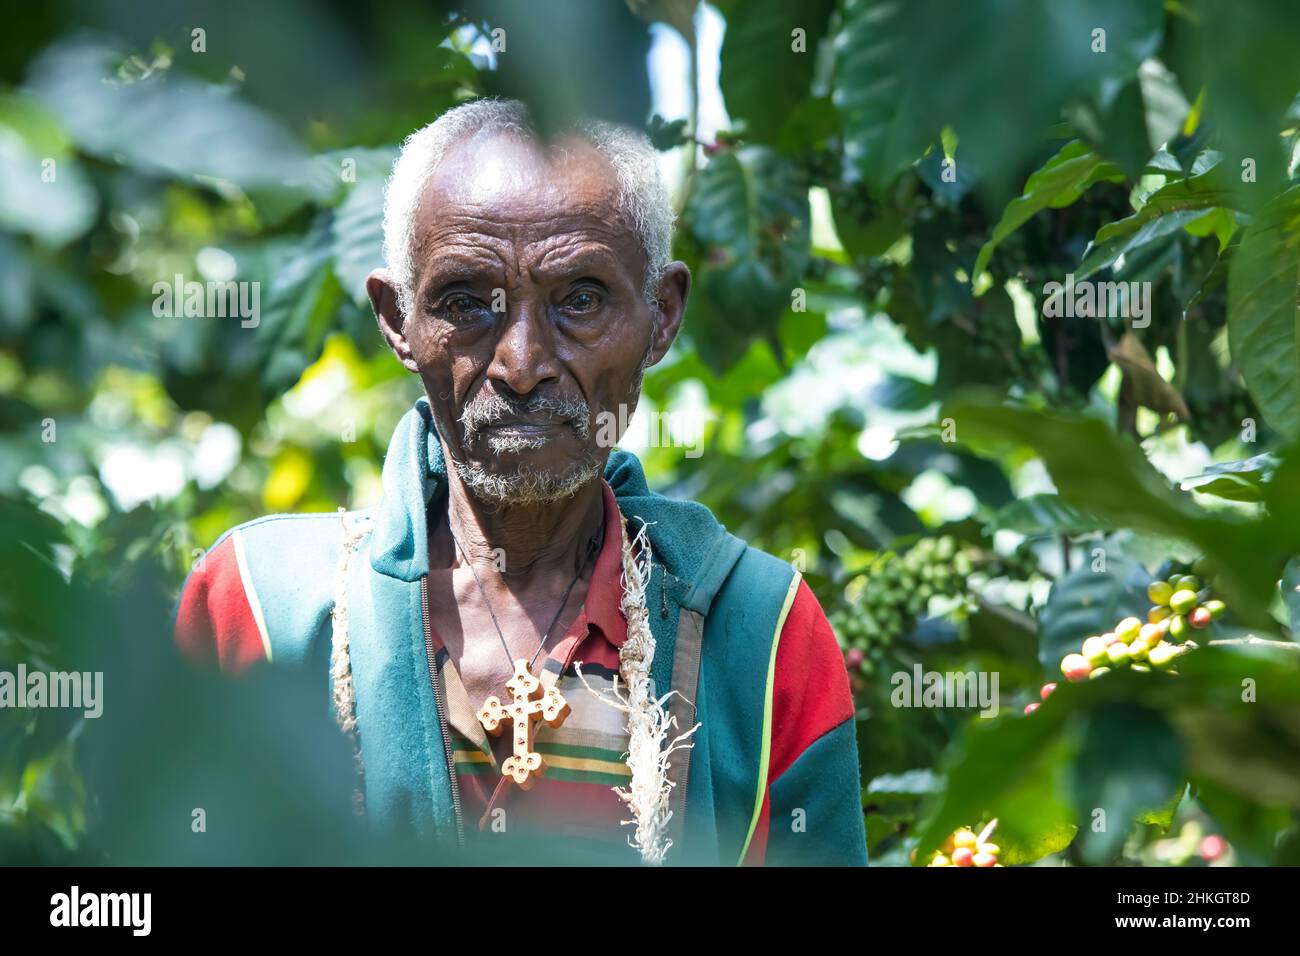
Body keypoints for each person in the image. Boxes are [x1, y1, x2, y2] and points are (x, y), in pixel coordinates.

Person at [174, 99, 867, 866]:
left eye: (580, 300)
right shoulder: (261, 609)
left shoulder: (764, 636)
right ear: (398, 320)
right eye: (466, 304)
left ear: (662, 316)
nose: (522, 363)